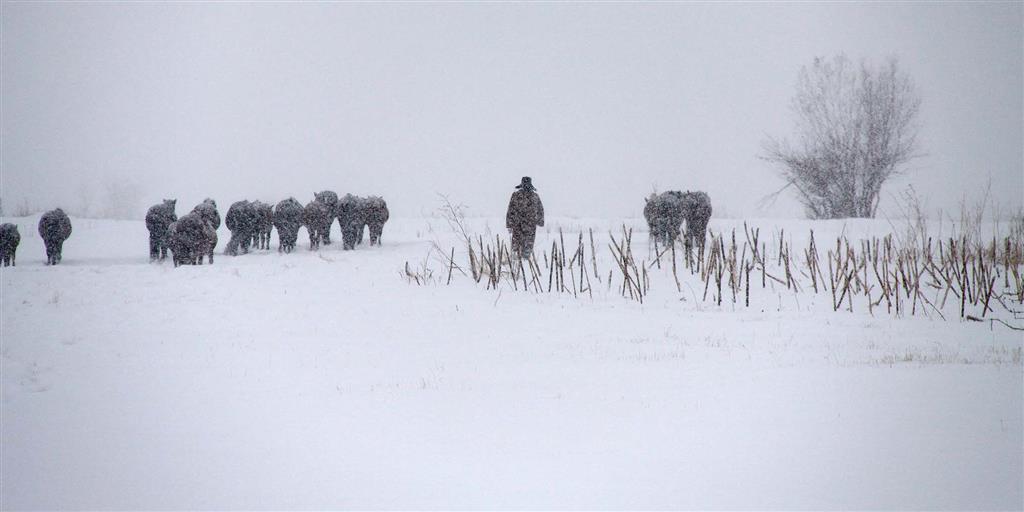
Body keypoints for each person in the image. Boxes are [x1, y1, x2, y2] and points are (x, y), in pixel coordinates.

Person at [505, 176, 545, 258]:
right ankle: (523, 260)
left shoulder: (516, 195)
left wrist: (509, 224)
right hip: (529, 226)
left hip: (518, 225)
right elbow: (540, 210)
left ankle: (518, 260)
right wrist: (540, 221)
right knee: (526, 246)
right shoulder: (534, 196)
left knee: (517, 246)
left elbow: (510, 210)